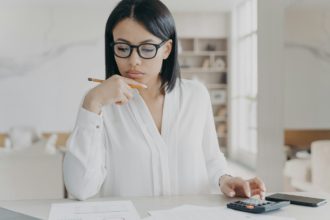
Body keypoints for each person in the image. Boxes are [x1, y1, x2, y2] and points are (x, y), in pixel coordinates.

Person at [63, 0, 266, 201]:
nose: (134, 61)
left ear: (167, 49)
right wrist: (92, 102)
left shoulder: (196, 95)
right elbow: (80, 188)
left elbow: (211, 159)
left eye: (147, 48)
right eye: (123, 48)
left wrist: (225, 180)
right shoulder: (101, 105)